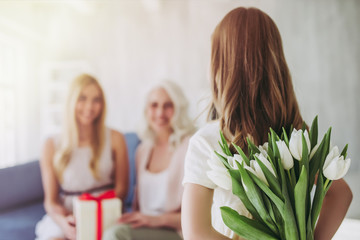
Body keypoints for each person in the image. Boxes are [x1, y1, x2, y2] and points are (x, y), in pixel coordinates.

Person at [181, 7, 353, 240]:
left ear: (219, 66)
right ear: (276, 63)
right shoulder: (296, 135)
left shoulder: (207, 142)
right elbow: (341, 194)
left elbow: (196, 232)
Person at [35, 74, 129, 240]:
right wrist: (64, 222)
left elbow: (122, 189)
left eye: (96, 100)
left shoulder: (115, 138)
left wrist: (92, 213)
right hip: (68, 216)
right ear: (71, 101)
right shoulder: (51, 144)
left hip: (105, 211)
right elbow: (51, 202)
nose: (89, 107)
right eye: (82, 98)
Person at [103, 80, 196, 240]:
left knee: (116, 235)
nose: (160, 113)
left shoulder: (190, 147)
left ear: (178, 109)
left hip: (177, 231)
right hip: (147, 229)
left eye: (168, 105)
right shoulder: (143, 151)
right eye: (154, 105)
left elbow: (196, 217)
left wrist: (157, 220)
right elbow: (138, 208)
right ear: (147, 110)